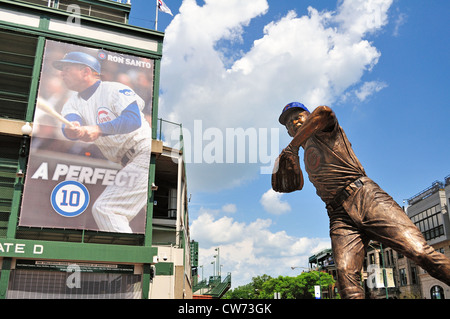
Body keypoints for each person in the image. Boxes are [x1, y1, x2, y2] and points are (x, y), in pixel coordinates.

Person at [277, 102, 450, 299]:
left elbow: (325, 111)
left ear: (308, 117)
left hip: (364, 196)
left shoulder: (325, 130)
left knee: (421, 253)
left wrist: (292, 147)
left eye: (298, 116)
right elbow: (295, 185)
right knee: (346, 280)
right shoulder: (300, 151)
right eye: (289, 124)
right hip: (338, 215)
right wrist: (290, 159)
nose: (294, 123)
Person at [53, 51, 152, 233]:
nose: (62, 73)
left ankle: (128, 261)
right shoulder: (72, 102)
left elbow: (133, 120)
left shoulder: (113, 89)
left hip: (144, 152)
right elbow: (69, 126)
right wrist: (73, 129)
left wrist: (97, 129)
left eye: (67, 68)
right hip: (129, 161)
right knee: (144, 217)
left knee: (107, 209)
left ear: (85, 72)